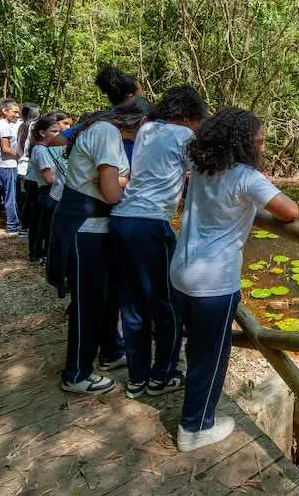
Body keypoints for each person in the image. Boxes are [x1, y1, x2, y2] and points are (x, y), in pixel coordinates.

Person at [169, 108, 298, 452]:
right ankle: (195, 428)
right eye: (261, 140)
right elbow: (290, 211)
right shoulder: (245, 177)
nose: (264, 144)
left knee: (196, 349)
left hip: (181, 272)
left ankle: (195, 415)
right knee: (211, 355)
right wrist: (263, 183)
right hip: (214, 282)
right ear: (244, 143)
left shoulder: (200, 167)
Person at [110, 86, 208, 399]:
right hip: (151, 224)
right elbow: (203, 173)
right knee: (167, 304)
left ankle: (137, 379)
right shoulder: (184, 136)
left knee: (133, 304)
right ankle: (163, 375)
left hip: (122, 220)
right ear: (188, 115)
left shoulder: (147, 129)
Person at [47, 96, 148, 395]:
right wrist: (135, 181)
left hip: (96, 227)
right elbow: (112, 192)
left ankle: (110, 351)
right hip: (85, 228)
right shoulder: (106, 133)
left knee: (106, 297)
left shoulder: (103, 130)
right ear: (139, 122)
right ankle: (76, 372)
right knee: (88, 302)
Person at [26, 113, 66, 262]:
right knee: (43, 226)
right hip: (47, 193)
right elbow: (49, 178)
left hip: (53, 193)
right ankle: (38, 254)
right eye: (53, 131)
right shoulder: (41, 150)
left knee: (47, 225)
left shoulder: (50, 148)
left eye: (58, 132)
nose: (57, 135)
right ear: (42, 132)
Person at [0, 99, 22, 233]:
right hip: (8, 165)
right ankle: (12, 225)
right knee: (11, 196)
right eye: (14, 112)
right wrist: (22, 155)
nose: (17, 115)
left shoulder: (1, 123)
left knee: (11, 194)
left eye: (18, 113)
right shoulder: (3, 125)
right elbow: (5, 148)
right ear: (5, 111)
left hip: (6, 164)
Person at [17, 103, 41, 236]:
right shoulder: (34, 126)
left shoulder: (22, 126)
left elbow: (19, 149)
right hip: (29, 166)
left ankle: (24, 226)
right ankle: (27, 226)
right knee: (31, 199)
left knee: (26, 199)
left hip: (21, 165)